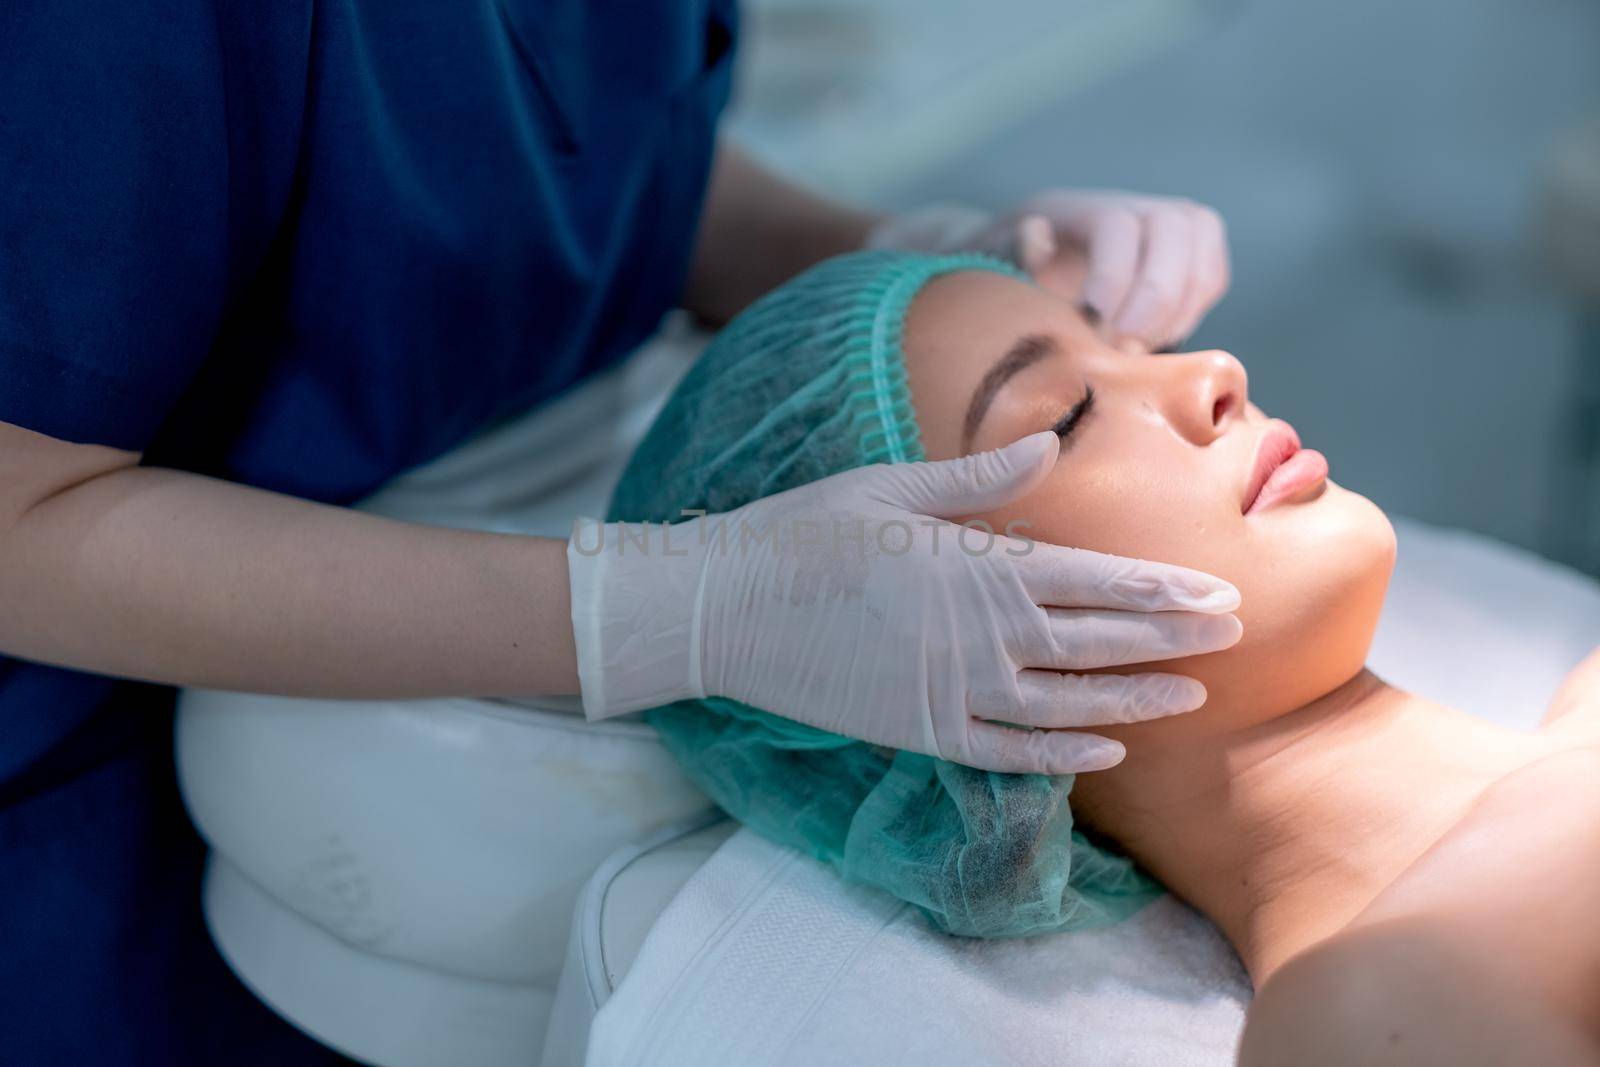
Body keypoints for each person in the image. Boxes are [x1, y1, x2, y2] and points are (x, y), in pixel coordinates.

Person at [0, 3, 1244, 1062]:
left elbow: (583, 149)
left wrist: (901, 261)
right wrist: (679, 609)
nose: (1218, 371)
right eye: (1068, 410)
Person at [602, 250, 1600, 1063]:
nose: (1212, 370)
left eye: (1138, 344)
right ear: (938, 671)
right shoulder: (1365, 1017)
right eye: (1064, 414)